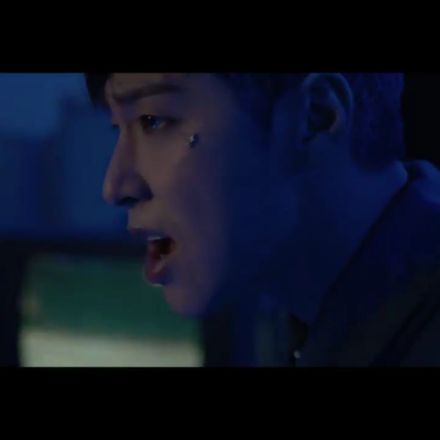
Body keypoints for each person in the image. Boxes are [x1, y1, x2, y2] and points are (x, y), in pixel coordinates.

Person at [85, 73, 440, 366]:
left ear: (314, 117)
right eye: (117, 128)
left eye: (153, 121)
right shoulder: (297, 323)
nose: (115, 186)